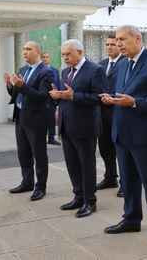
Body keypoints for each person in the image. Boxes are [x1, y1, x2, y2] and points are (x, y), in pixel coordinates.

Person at [101, 25, 147, 255]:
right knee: (128, 183)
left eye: (123, 39)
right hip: (123, 135)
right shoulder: (123, 63)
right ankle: (131, 219)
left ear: (137, 38)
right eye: (117, 40)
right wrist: (113, 100)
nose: (119, 44)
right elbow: (124, 94)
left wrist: (135, 103)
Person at [49, 39, 106, 218]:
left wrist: (74, 96)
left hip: (85, 126)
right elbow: (65, 96)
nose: (65, 58)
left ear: (80, 52)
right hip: (66, 125)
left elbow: (100, 98)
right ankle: (78, 196)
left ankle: (90, 201)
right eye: (63, 54)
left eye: (68, 54)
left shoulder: (95, 70)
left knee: (86, 165)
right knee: (72, 164)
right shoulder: (65, 71)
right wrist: (57, 96)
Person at [6, 41, 54, 201]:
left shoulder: (46, 72)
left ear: (38, 52)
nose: (25, 52)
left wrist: (23, 86)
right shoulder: (23, 70)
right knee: (23, 153)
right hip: (21, 116)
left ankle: (40, 187)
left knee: (39, 154)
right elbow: (17, 92)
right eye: (24, 49)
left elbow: (42, 96)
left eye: (28, 49)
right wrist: (10, 85)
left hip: (37, 119)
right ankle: (27, 182)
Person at [97, 35, 125, 197]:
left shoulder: (125, 63)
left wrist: (113, 98)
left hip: (118, 111)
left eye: (113, 44)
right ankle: (110, 177)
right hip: (102, 113)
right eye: (107, 44)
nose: (109, 47)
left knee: (120, 148)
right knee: (105, 147)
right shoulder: (101, 64)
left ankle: (125, 183)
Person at [41, 52, 61, 146]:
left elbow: (57, 83)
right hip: (42, 99)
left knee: (51, 120)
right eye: (43, 57)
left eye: (47, 57)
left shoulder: (55, 70)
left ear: (49, 58)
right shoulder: (39, 70)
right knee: (42, 120)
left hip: (52, 99)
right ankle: (41, 137)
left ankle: (51, 138)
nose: (45, 59)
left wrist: (58, 97)